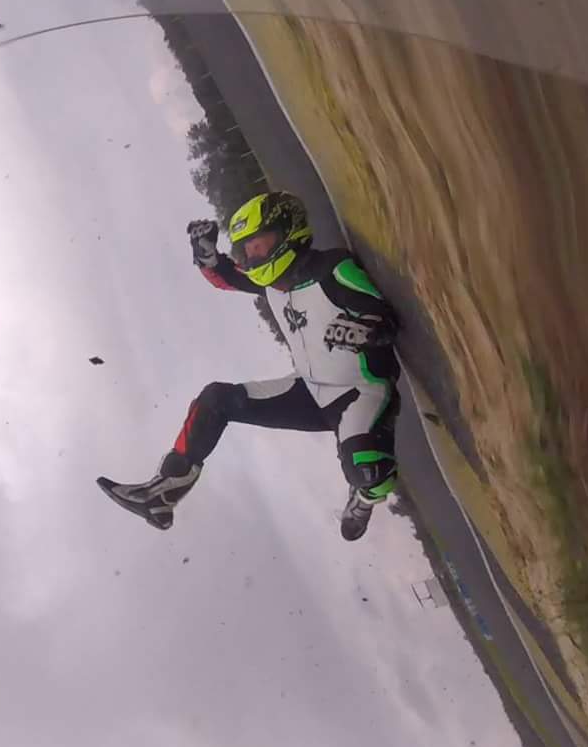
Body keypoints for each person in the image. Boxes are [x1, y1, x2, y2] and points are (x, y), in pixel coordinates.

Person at [97, 191, 401, 541]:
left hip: (360, 390)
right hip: (308, 389)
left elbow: (385, 317)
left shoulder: (332, 268)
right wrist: (206, 256)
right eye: (248, 249)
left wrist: (366, 329)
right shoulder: (270, 284)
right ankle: (162, 493)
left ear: (288, 232)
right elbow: (227, 277)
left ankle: (363, 499)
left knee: (369, 473)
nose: (253, 256)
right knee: (215, 399)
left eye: (259, 244)